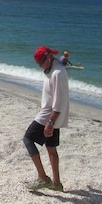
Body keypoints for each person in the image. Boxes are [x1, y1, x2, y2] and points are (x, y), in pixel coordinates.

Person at [23, 46, 70, 192]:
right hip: (52, 114)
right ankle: (56, 183)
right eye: (38, 63)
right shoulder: (54, 65)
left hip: (50, 115)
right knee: (51, 147)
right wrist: (64, 59)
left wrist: (50, 122)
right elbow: (61, 62)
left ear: (49, 58)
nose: (40, 66)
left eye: (41, 62)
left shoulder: (57, 74)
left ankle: (43, 178)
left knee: (28, 139)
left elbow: (59, 102)